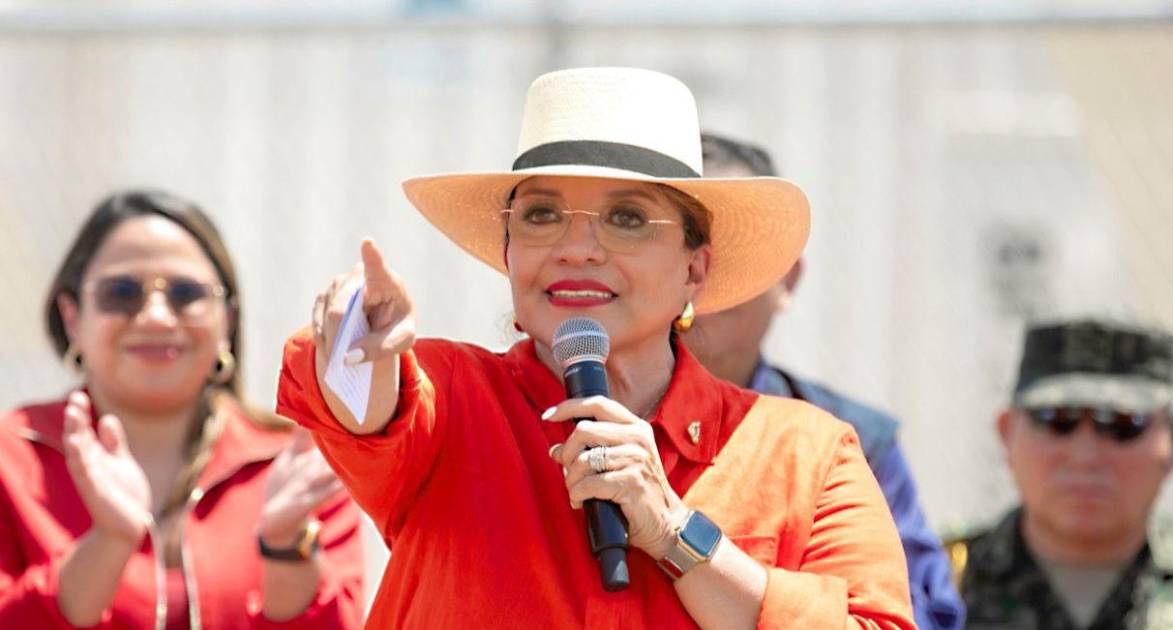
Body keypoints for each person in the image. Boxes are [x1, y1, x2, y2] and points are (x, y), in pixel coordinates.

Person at [277, 67, 916, 629]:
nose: (576, 248)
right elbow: (367, 404)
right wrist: (360, 339)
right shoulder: (454, 399)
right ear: (508, 250)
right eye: (541, 215)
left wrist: (676, 534)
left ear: (694, 269)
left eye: (627, 218)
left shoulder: (805, 451)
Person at [0, 190, 364, 628]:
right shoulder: (11, 460)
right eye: (122, 292)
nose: (156, 317)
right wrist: (107, 544)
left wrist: (287, 546)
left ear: (227, 320)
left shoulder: (298, 465)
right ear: (72, 317)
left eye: (186, 293)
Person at [685, 132, 966, 630]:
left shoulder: (853, 441)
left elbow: (917, 613)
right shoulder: (588, 417)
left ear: (788, 279)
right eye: (688, 241)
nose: (708, 271)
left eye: (736, 244)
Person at [947, 317, 1173, 629]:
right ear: (1006, 432)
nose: (1085, 457)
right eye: (1056, 420)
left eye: (1122, 424)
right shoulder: (927, 581)